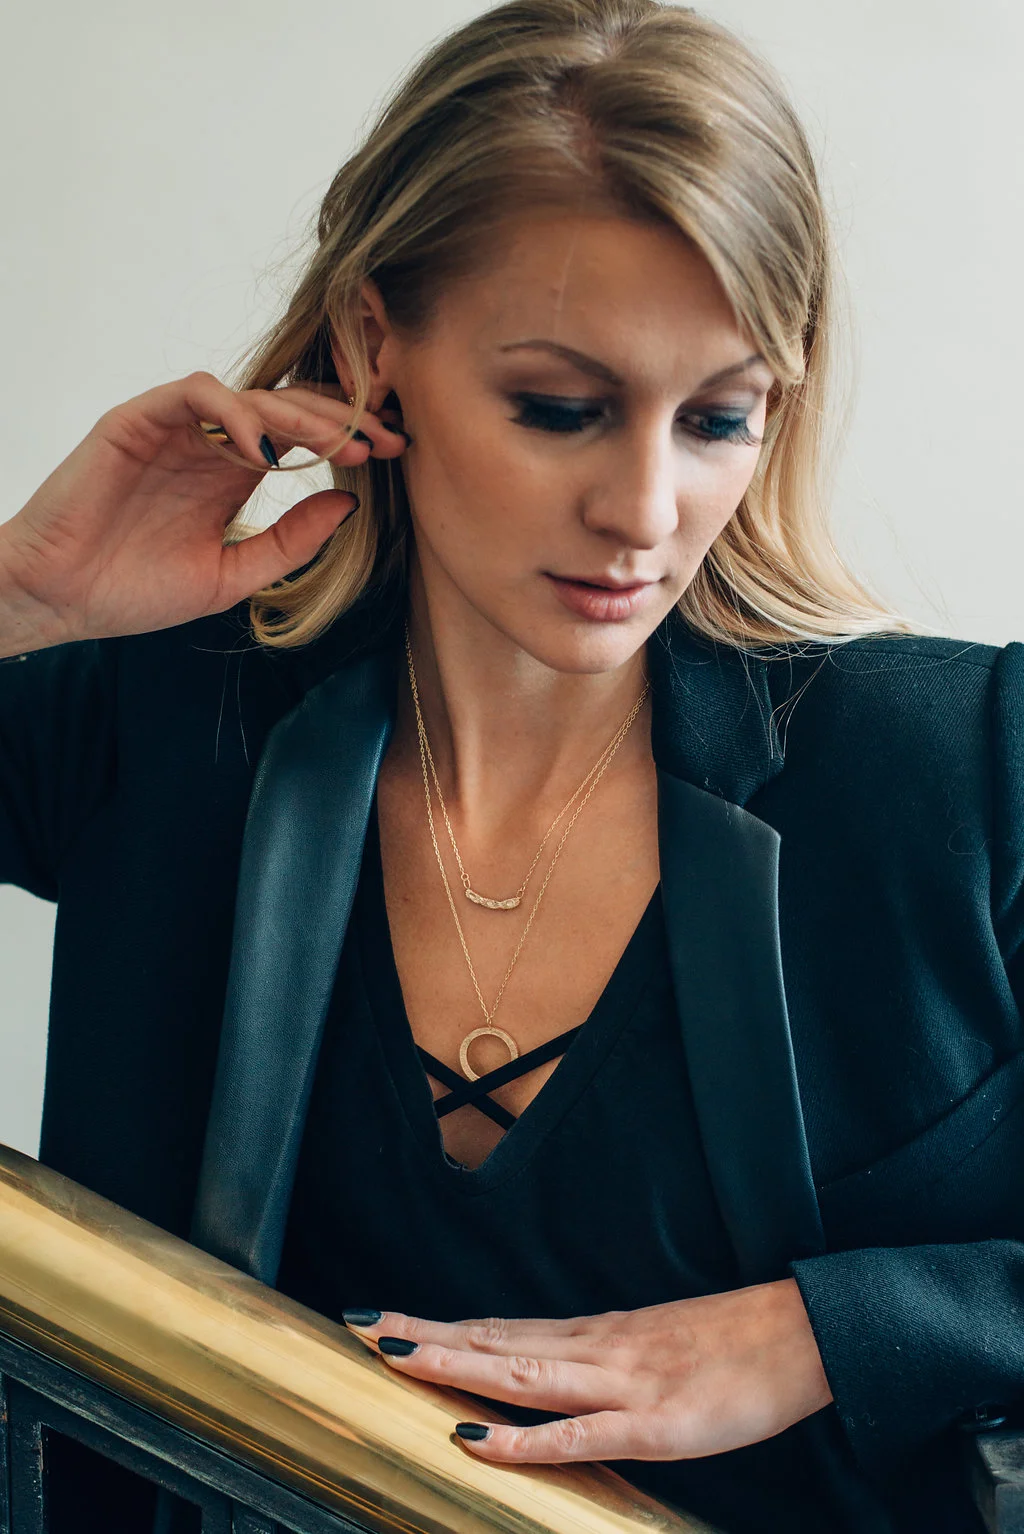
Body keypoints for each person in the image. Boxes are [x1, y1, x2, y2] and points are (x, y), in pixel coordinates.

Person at [1, 0, 1022, 1530]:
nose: (645, 508)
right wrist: (20, 595)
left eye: (719, 417)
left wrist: (835, 1327)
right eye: (562, 409)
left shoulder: (962, 765)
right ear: (375, 344)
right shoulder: (159, 712)